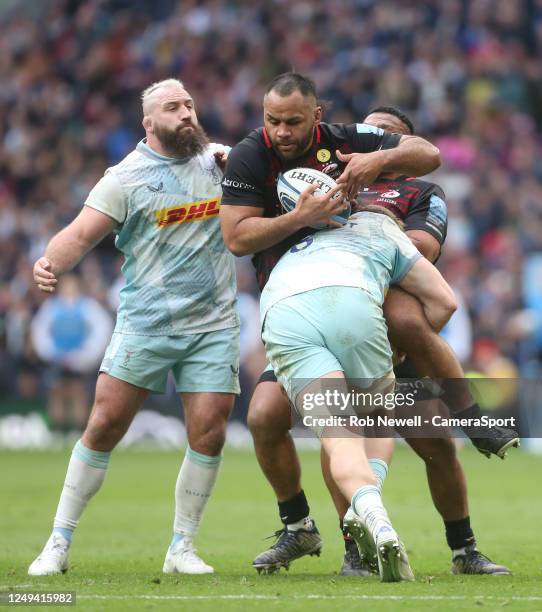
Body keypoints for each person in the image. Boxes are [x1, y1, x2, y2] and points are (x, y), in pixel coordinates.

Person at [220, 74, 516, 575]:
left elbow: (423, 253)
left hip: (388, 332)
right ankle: (309, 532)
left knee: (432, 437)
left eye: (382, 137)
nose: (364, 139)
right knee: (267, 417)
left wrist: (369, 216)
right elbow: (237, 234)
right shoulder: (301, 170)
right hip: (313, 317)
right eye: (365, 132)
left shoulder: (416, 193)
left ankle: (464, 545)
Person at [28, 79, 240, 576]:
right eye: (172, 108)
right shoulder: (124, 178)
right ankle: (57, 541)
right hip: (147, 322)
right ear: (149, 123)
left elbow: (270, 189)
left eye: (189, 104)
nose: (186, 113)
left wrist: (246, 173)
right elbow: (81, 233)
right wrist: (48, 263)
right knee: (103, 426)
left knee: (208, 433)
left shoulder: (221, 163)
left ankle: (181, 547)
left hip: (213, 325)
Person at [260, 204, 457, 582]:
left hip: (283, 310)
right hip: (350, 302)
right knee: (375, 422)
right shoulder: (387, 233)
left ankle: (369, 514)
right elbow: (445, 302)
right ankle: (374, 512)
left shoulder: (311, 233)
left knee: (341, 440)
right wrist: (402, 345)